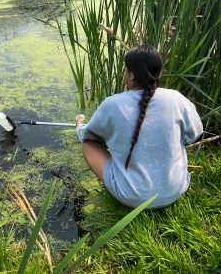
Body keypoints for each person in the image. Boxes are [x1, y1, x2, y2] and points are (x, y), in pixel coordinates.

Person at [76, 45, 203, 209]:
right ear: (160, 73)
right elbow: (194, 133)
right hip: (175, 191)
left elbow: (87, 136)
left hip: (132, 197)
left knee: (88, 146)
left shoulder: (112, 104)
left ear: (131, 74)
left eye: (125, 70)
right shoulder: (176, 98)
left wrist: (79, 125)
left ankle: (123, 183)